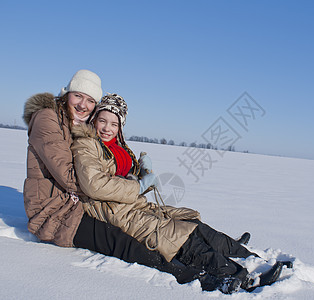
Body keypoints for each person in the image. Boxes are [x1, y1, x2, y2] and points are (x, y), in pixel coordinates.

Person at [22, 70, 224, 291]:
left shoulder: (73, 122)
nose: (83, 104)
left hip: (75, 202)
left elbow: (93, 173)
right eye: (78, 96)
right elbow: (75, 178)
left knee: (149, 222)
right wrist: (121, 184)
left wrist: (125, 176)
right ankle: (187, 276)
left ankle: (216, 253)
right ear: (67, 93)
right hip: (53, 210)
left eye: (90, 100)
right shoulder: (47, 119)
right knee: (120, 241)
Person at [71, 93, 290, 293]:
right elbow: (95, 185)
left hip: (134, 205)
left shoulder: (118, 148)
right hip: (115, 211)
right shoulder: (87, 145)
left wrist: (142, 171)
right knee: (175, 235)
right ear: (94, 120)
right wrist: (137, 186)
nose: (107, 128)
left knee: (190, 221)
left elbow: (128, 180)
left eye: (114, 123)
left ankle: (253, 259)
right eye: (103, 121)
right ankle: (241, 276)